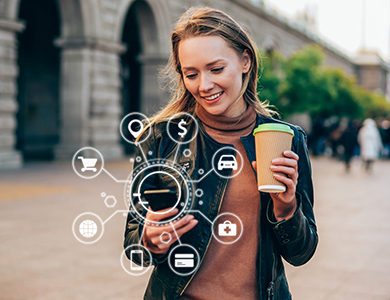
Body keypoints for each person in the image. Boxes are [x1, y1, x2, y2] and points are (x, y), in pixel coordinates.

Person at [124, 7, 318, 300]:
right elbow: (134, 247)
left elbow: (301, 253)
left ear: (245, 61)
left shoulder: (286, 140)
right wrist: (149, 240)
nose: (204, 86)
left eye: (216, 69)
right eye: (191, 74)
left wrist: (287, 207)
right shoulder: (160, 139)